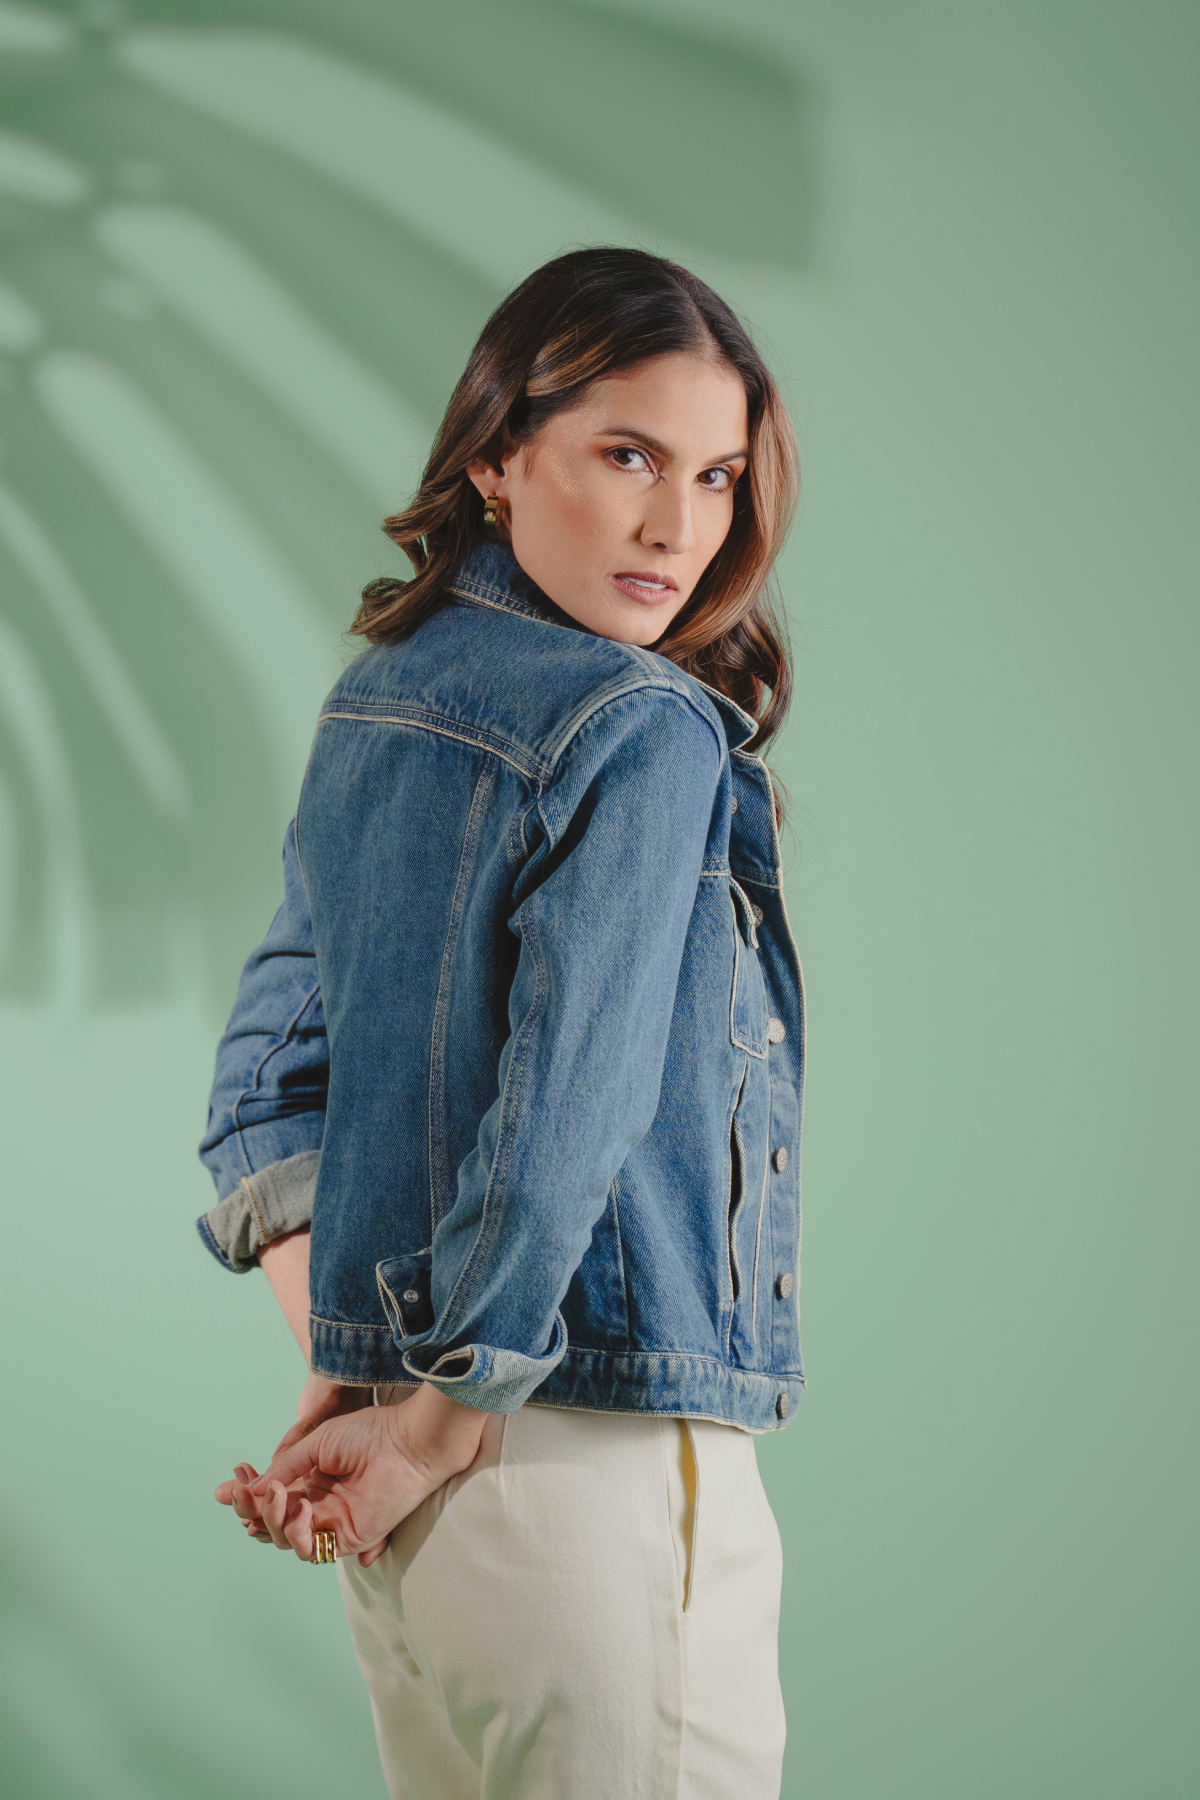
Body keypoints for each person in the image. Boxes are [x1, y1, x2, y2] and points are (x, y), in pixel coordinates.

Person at [199, 247, 805, 1800]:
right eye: (629, 457)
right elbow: (563, 1115)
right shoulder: (640, 725)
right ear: (495, 456)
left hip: (419, 1502)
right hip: (585, 1467)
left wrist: (362, 1365)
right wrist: (440, 1408)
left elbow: (265, 1078)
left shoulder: (380, 699)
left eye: (717, 476)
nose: (679, 527)